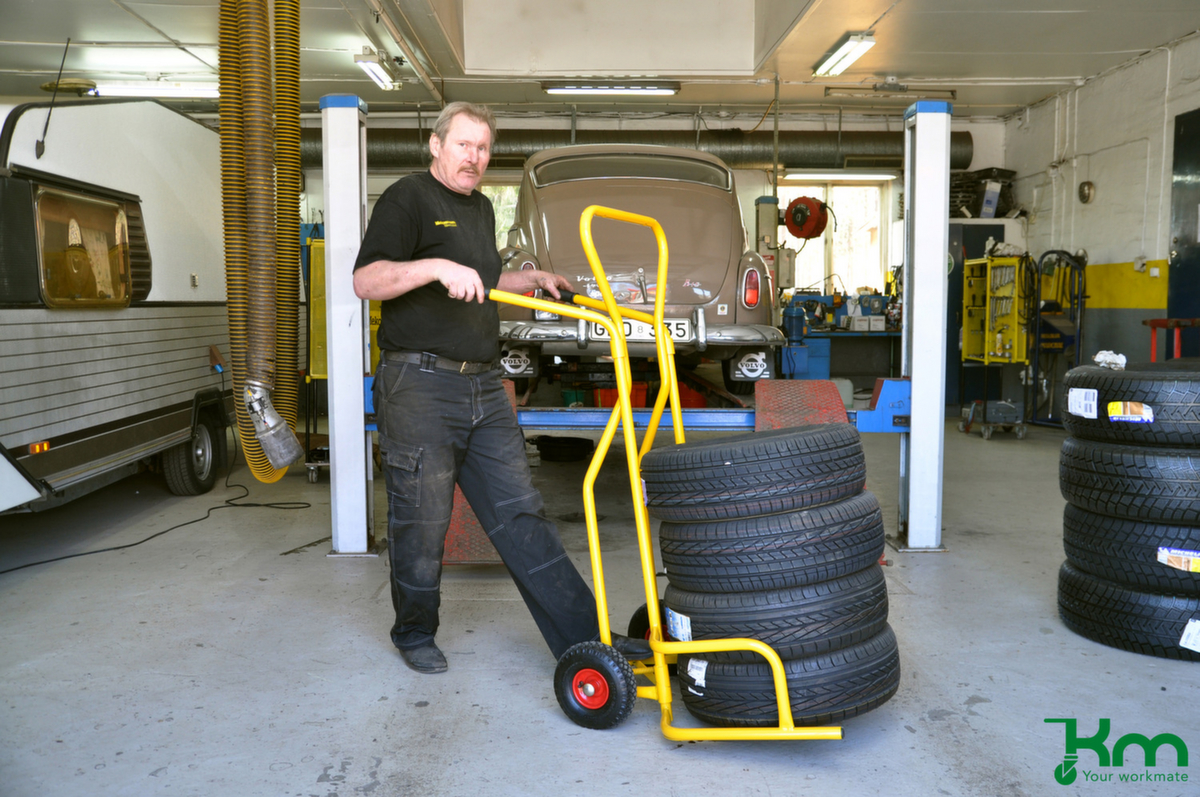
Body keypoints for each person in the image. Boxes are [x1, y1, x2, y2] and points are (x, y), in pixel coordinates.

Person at [353, 101, 649, 674]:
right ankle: (414, 632)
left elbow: (483, 281)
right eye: (464, 144)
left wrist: (528, 280)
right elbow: (368, 279)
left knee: (521, 514)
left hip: (484, 387)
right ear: (437, 146)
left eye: (483, 148)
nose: (474, 157)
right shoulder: (407, 198)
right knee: (422, 520)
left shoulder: (482, 209)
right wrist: (434, 268)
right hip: (419, 385)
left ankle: (584, 639)